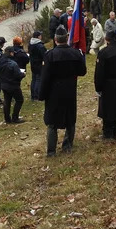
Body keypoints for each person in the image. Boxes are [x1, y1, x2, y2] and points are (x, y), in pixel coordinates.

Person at [40, 26, 87, 156]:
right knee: (70, 118)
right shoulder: (76, 53)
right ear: (67, 39)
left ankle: (51, 151)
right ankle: (67, 146)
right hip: (70, 89)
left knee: (52, 122)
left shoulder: (50, 55)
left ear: (55, 39)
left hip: (53, 91)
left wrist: (41, 94)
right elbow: (82, 71)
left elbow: (45, 77)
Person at [0, 46, 26, 123]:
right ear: (11, 53)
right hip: (13, 85)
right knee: (19, 100)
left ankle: (7, 118)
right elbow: (18, 75)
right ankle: (15, 118)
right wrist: (23, 74)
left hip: (4, 85)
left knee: (7, 101)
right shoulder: (13, 64)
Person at [28, 31, 47, 101]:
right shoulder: (40, 46)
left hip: (33, 64)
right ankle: (37, 95)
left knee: (34, 79)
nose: (41, 36)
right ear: (38, 36)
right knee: (38, 79)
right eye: (40, 35)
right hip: (39, 64)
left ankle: (33, 95)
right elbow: (45, 55)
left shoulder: (30, 44)